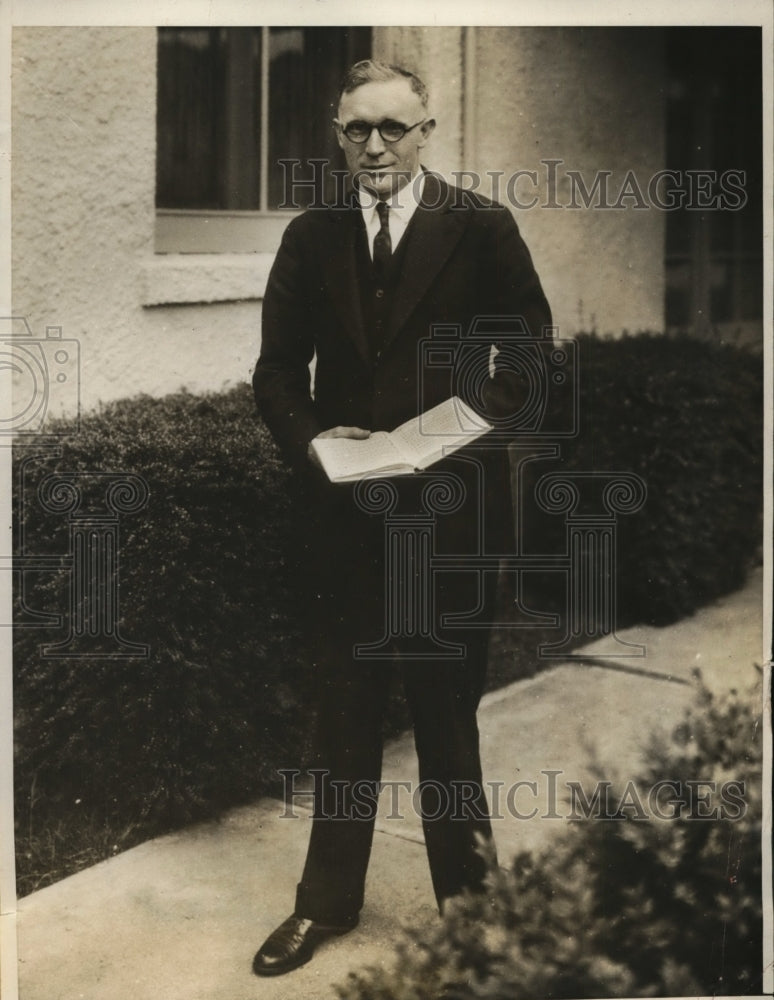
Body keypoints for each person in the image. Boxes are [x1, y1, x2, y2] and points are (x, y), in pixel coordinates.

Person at [251, 58, 552, 976]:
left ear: (426, 133)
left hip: (451, 518)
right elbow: (274, 377)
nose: (374, 146)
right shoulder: (312, 236)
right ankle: (324, 905)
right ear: (338, 135)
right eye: (357, 130)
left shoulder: (481, 227)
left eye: (393, 128)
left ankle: (473, 922)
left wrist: (451, 428)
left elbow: (529, 353)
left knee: (446, 719)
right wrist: (316, 445)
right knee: (345, 717)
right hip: (347, 520)